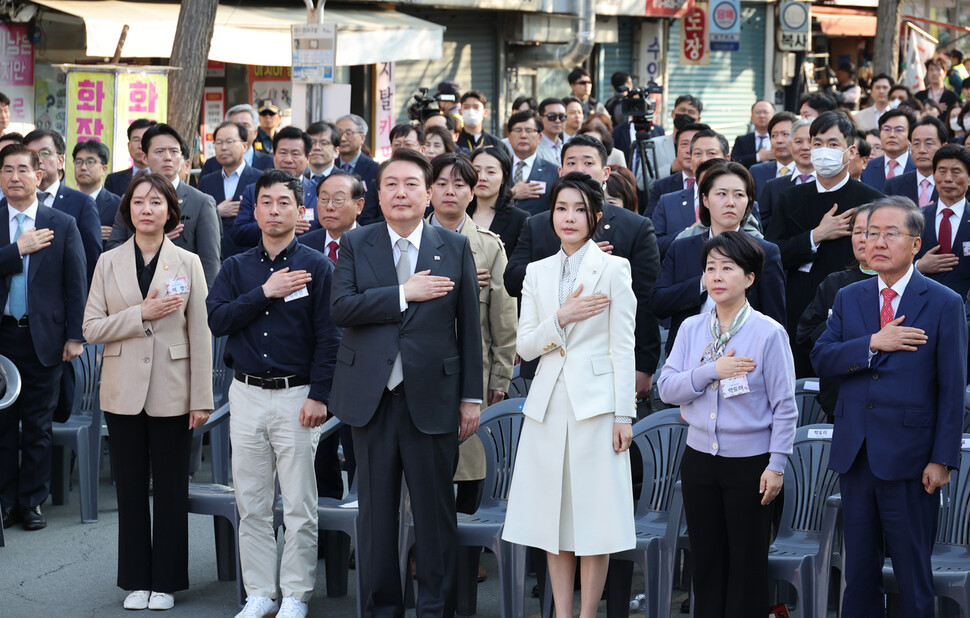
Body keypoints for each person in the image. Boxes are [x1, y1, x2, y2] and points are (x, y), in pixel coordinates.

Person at [328, 148, 482, 617]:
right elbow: (341, 309)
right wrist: (401, 293)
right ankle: (383, 609)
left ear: (430, 192)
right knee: (376, 517)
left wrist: (471, 397)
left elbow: (469, 327)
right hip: (371, 399)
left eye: (412, 184)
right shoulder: (358, 243)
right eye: (391, 184)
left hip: (433, 397)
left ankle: (436, 609)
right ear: (377, 194)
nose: (401, 192)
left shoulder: (453, 246)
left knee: (435, 515)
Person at [812, 196, 966, 618]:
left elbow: (953, 389)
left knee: (913, 572)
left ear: (916, 244)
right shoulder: (849, 296)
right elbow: (821, 358)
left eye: (890, 233)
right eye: (870, 232)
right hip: (856, 454)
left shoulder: (943, 302)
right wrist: (871, 344)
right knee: (858, 572)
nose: (877, 241)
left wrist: (942, 459)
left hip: (913, 460)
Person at [207, 168, 340, 618]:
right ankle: (260, 592)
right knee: (253, 501)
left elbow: (330, 339)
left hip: (296, 395)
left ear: (299, 211)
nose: (274, 210)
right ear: (255, 208)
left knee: (300, 502)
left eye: (284, 202)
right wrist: (265, 293)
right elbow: (217, 320)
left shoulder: (318, 266)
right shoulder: (235, 267)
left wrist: (319, 395)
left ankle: (297, 593)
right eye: (266, 202)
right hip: (244, 393)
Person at [503, 172, 635, 618]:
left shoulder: (614, 268)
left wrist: (624, 415)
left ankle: (587, 614)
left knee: (594, 521)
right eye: (562, 208)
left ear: (596, 216)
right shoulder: (537, 272)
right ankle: (562, 613)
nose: (570, 217)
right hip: (546, 405)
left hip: (598, 407)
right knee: (550, 520)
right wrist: (561, 316)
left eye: (580, 209)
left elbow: (623, 346)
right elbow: (522, 347)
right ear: (551, 215)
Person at [82, 172, 212, 611]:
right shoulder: (107, 262)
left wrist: (201, 399)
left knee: (172, 487)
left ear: (170, 211)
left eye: (156, 202)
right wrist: (143, 313)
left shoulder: (189, 262)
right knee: (130, 489)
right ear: (128, 210)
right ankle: (136, 579)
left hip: (174, 390)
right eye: (139, 202)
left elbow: (201, 335)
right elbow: (91, 328)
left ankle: (168, 581)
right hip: (122, 390)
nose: (146, 209)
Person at [659, 230, 796, 616]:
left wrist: (777, 464)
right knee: (706, 561)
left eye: (728, 268)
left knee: (747, 565)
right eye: (710, 268)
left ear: (750, 277)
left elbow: (785, 406)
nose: (716, 277)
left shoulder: (768, 333)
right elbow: (667, 388)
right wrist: (710, 371)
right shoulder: (691, 328)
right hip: (700, 458)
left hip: (751, 464)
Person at [505, 134, 662, 400]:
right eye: (571, 162)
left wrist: (644, 365)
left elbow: (646, 302)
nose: (579, 168)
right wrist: (566, 260)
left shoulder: (635, 226)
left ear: (605, 172)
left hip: (604, 366)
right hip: (547, 357)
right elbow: (512, 280)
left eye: (588, 162)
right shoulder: (539, 223)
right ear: (560, 171)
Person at [0, 144, 86, 531]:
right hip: (3, 337)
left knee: (37, 423)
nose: (13, 177)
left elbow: (76, 284)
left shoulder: (62, 222)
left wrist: (75, 336)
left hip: (45, 338)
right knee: (2, 425)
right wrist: (15, 250)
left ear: (40, 175)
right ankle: (4, 501)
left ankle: (32, 502)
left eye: (22, 169)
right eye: (6, 170)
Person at [428, 153, 516, 518]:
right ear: (429, 190)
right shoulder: (407, 240)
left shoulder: (488, 245)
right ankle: (420, 545)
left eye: (460, 185)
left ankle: (467, 550)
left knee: (470, 459)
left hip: (471, 370)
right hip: (421, 367)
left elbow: (503, 316)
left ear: (472, 193)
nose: (451, 192)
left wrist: (500, 375)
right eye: (443, 184)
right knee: (425, 465)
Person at [766, 111, 884, 376]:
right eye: (817, 143)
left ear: (851, 151)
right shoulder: (790, 198)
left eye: (833, 144)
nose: (822, 151)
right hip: (800, 306)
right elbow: (772, 254)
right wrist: (815, 236)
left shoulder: (872, 200)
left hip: (856, 303)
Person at [652, 161, 786, 355]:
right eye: (721, 194)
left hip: (746, 358)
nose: (730, 202)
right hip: (689, 355)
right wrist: (702, 284)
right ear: (705, 200)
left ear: (748, 201)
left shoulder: (766, 252)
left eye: (739, 195)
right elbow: (658, 303)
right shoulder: (681, 248)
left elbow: (775, 319)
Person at [299, 171, 365, 497]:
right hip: (316, 365)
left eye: (338, 199)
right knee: (319, 458)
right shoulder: (303, 246)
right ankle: (327, 543)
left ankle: (360, 538)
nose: (329, 206)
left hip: (361, 365)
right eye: (323, 198)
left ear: (359, 204)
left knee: (359, 458)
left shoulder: (376, 246)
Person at [106, 124, 221, 288]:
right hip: (134, 292)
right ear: (144, 157)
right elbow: (113, 247)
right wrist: (152, 242)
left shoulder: (201, 202)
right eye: (159, 151)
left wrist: (207, 307)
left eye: (174, 151)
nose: (168, 157)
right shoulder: (130, 198)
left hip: (181, 296)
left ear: (181, 157)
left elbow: (210, 264)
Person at [796, 204, 875, 419]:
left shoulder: (901, 287)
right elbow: (804, 336)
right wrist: (840, 322)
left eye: (870, 232)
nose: (862, 238)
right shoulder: (835, 283)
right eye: (857, 232)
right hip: (840, 402)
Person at [22, 129, 103, 282]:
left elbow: (92, 260)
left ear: (60, 161)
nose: (39, 160)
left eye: (45, 153)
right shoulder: (10, 203)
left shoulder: (82, 203)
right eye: (32, 155)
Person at [229, 127, 322, 250]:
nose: (288, 160)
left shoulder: (318, 192)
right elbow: (239, 233)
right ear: (274, 155)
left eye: (295, 154)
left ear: (308, 158)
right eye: (283, 153)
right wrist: (274, 225)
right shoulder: (253, 190)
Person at [653, 129, 731, 257]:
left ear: (726, 158)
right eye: (697, 154)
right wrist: (690, 231)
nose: (703, 160)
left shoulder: (740, 201)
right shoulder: (667, 202)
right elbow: (653, 246)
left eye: (711, 153)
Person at [197, 121, 263, 260]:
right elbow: (198, 219)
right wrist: (217, 212)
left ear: (244, 146)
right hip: (215, 256)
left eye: (229, 141)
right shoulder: (207, 181)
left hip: (250, 256)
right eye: (219, 142)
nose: (223, 147)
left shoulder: (260, 179)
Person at [914, 144, 970, 299]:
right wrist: (919, 266)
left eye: (956, 172)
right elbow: (896, 263)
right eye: (942, 171)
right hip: (922, 306)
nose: (948, 179)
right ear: (933, 174)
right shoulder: (916, 218)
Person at [469, 146, 529, 257]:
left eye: (490, 172)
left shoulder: (519, 219)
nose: (482, 177)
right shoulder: (459, 213)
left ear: (503, 177)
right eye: (476, 171)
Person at [757, 117, 815, 232]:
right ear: (791, 145)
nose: (805, 147)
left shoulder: (830, 183)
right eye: (798, 141)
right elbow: (761, 226)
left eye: (811, 142)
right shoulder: (772, 186)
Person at [645, 122, 710, 217]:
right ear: (676, 149)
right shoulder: (662, 186)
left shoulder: (719, 184)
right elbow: (650, 224)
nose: (689, 150)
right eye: (684, 144)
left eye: (694, 144)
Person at [882, 115, 945, 206]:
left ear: (943, 147)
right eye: (916, 144)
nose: (922, 150)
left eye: (929, 143)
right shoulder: (893, 185)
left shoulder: (954, 184)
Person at [506, 110, 559, 215]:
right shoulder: (499, 168)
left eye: (529, 130)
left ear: (539, 137)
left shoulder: (554, 172)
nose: (523, 135)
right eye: (518, 130)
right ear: (509, 137)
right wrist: (511, 194)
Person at [200, 104, 274, 177]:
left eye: (245, 125)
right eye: (235, 126)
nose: (241, 131)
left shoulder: (270, 163)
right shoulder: (212, 165)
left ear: (255, 132)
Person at [335, 113, 381, 225]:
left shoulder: (375, 170)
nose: (342, 138)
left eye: (348, 133)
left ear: (362, 138)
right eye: (339, 133)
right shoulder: (329, 167)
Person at [72, 139, 121, 243]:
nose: (83, 167)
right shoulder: (66, 201)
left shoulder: (117, 204)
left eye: (90, 162)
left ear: (104, 169)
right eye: (78, 162)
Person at [861, 108, 917, 190]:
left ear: (911, 135)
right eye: (887, 129)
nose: (892, 135)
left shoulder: (919, 167)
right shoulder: (866, 168)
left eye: (899, 130)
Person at [748, 111, 798, 196]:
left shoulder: (807, 172)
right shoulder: (756, 172)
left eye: (785, 134)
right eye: (774, 135)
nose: (779, 140)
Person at [105, 118, 157, 197]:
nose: (140, 146)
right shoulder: (113, 180)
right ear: (129, 146)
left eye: (145, 140)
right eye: (136, 140)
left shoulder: (165, 177)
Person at [731, 100, 775, 168]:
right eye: (758, 112)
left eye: (766, 112)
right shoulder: (742, 140)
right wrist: (758, 157)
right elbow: (733, 162)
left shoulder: (780, 139)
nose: (762, 115)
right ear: (751, 118)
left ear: (773, 117)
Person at [305, 120, 341, 185]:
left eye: (324, 143)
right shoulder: (300, 181)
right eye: (312, 142)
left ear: (336, 151)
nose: (316, 148)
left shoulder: (347, 181)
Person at [537, 98, 568, 166]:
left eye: (561, 117)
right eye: (551, 116)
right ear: (540, 118)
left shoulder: (566, 148)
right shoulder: (533, 147)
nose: (557, 121)